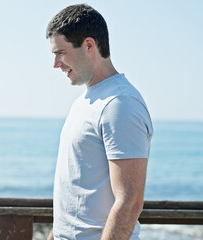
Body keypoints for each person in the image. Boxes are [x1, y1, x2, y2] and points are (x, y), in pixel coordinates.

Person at [46, 4, 153, 240]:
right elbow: (75, 188)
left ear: (89, 45)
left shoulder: (120, 103)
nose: (56, 64)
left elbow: (130, 202)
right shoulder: (85, 101)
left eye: (61, 52)